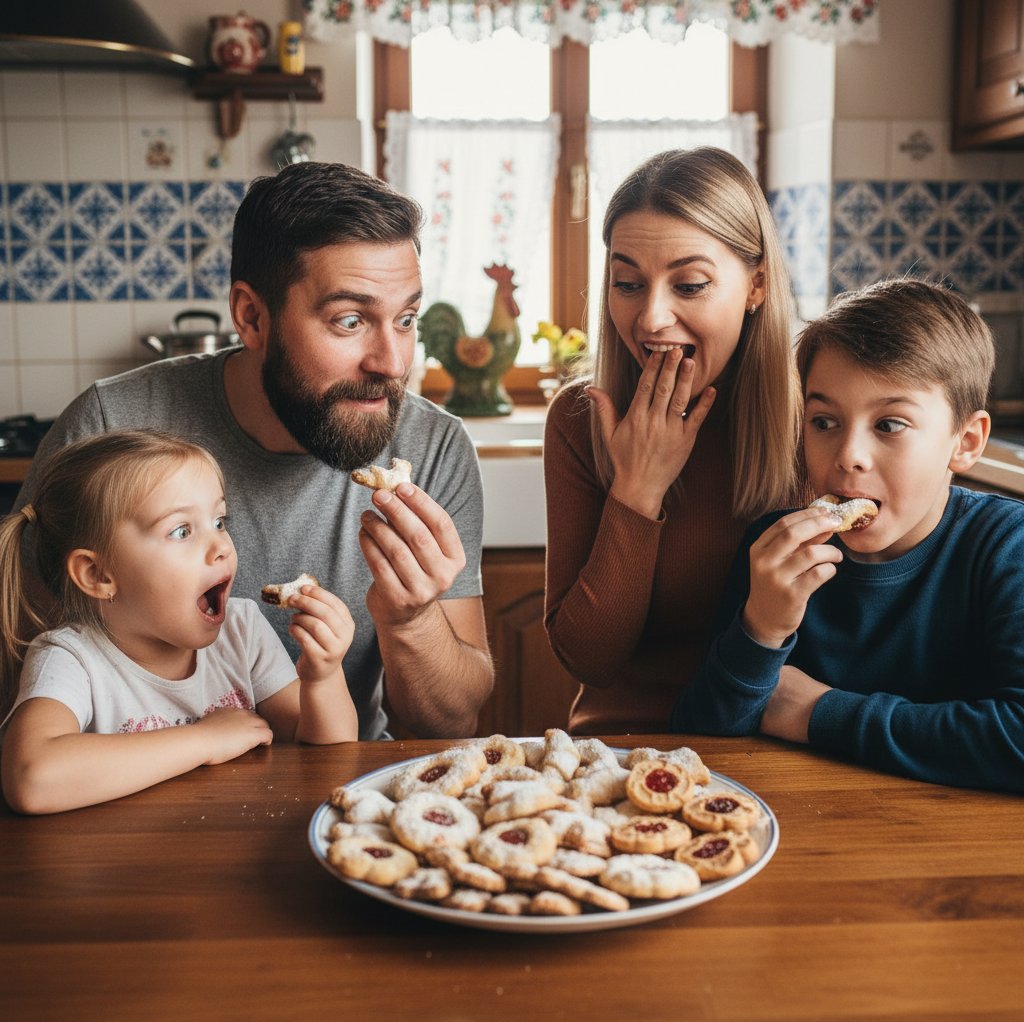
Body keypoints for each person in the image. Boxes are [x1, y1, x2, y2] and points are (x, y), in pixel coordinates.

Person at [15, 161, 493, 741]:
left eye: (406, 319)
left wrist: (411, 620)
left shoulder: (433, 446)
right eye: (349, 321)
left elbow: (450, 724)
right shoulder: (109, 426)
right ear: (251, 317)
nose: (392, 363)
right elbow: (20, 681)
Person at [672, 278, 1024, 793]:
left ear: (965, 442)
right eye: (824, 421)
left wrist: (813, 710)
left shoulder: (1006, 546)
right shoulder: (777, 551)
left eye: (890, 425)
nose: (848, 455)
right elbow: (701, 742)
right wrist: (761, 629)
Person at [544, 147, 802, 734]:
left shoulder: (816, 419)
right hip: (623, 750)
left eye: (689, 285)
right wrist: (637, 491)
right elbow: (590, 661)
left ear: (756, 286)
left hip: (782, 748)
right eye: (628, 283)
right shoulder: (579, 420)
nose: (651, 318)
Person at [1, 431, 358, 814]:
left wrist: (324, 677)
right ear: (98, 574)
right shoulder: (71, 659)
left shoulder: (242, 631)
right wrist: (202, 740)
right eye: (181, 531)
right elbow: (32, 779)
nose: (222, 546)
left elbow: (326, 757)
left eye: (219, 521)